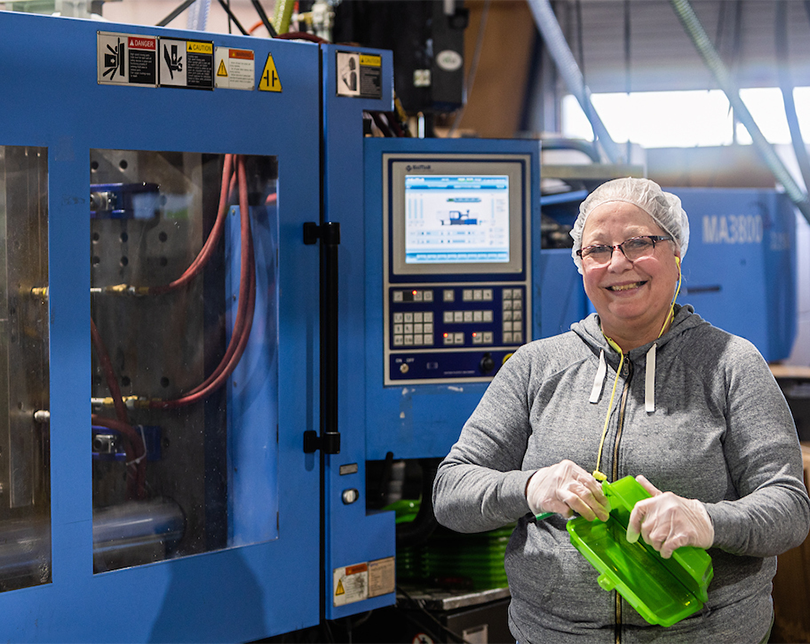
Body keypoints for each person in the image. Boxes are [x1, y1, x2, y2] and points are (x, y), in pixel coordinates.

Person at [432, 177, 810, 643]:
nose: (618, 263)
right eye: (598, 250)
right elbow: (451, 491)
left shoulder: (732, 365)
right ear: (580, 263)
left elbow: (788, 508)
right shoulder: (536, 367)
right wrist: (531, 486)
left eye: (638, 243)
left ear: (676, 255)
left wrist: (706, 521)